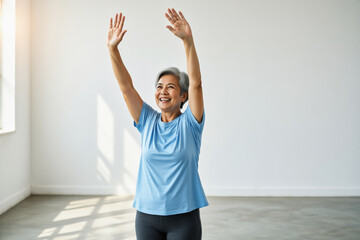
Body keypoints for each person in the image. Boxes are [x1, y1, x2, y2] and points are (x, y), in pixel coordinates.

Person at [107, 8, 208, 240]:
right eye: (159, 86)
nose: (163, 91)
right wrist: (113, 49)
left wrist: (188, 42)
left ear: (183, 96)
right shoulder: (147, 121)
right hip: (147, 217)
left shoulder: (191, 125)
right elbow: (126, 88)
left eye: (171, 87)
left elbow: (196, 83)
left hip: (184, 217)